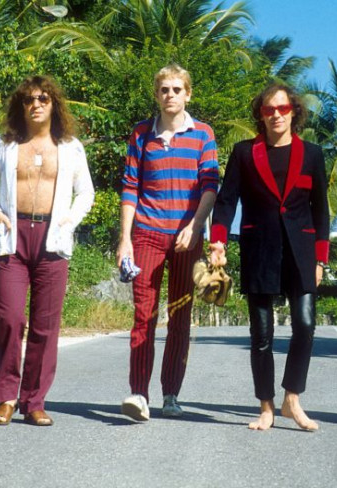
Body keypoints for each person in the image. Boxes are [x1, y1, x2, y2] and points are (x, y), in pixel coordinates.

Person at [0, 75, 95, 426]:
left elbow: (86, 192)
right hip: (14, 237)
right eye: (28, 99)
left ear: (54, 104)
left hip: (53, 238)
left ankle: (34, 400)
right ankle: (7, 396)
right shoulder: (5, 145)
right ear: (20, 105)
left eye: (43, 98)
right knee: (10, 317)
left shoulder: (70, 147)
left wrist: (69, 220)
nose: (36, 105)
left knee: (46, 325)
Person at [209, 84, 330, 431]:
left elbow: (321, 209)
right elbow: (226, 200)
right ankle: (266, 406)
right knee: (261, 334)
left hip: (301, 251)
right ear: (260, 115)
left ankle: (292, 398)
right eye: (268, 110)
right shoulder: (244, 153)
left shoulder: (312, 154)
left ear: (294, 111)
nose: (276, 114)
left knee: (305, 325)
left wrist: (320, 259)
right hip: (259, 249)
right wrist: (218, 241)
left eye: (282, 108)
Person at [118, 63, 219, 421]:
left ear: (188, 94)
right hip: (147, 234)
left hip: (187, 239)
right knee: (143, 315)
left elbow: (210, 185)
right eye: (164, 89)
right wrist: (125, 239)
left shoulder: (203, 134)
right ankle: (138, 394)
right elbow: (130, 187)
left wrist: (196, 225)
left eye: (177, 89)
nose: (170, 95)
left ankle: (171, 393)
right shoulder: (141, 134)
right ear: (156, 94)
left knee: (179, 316)